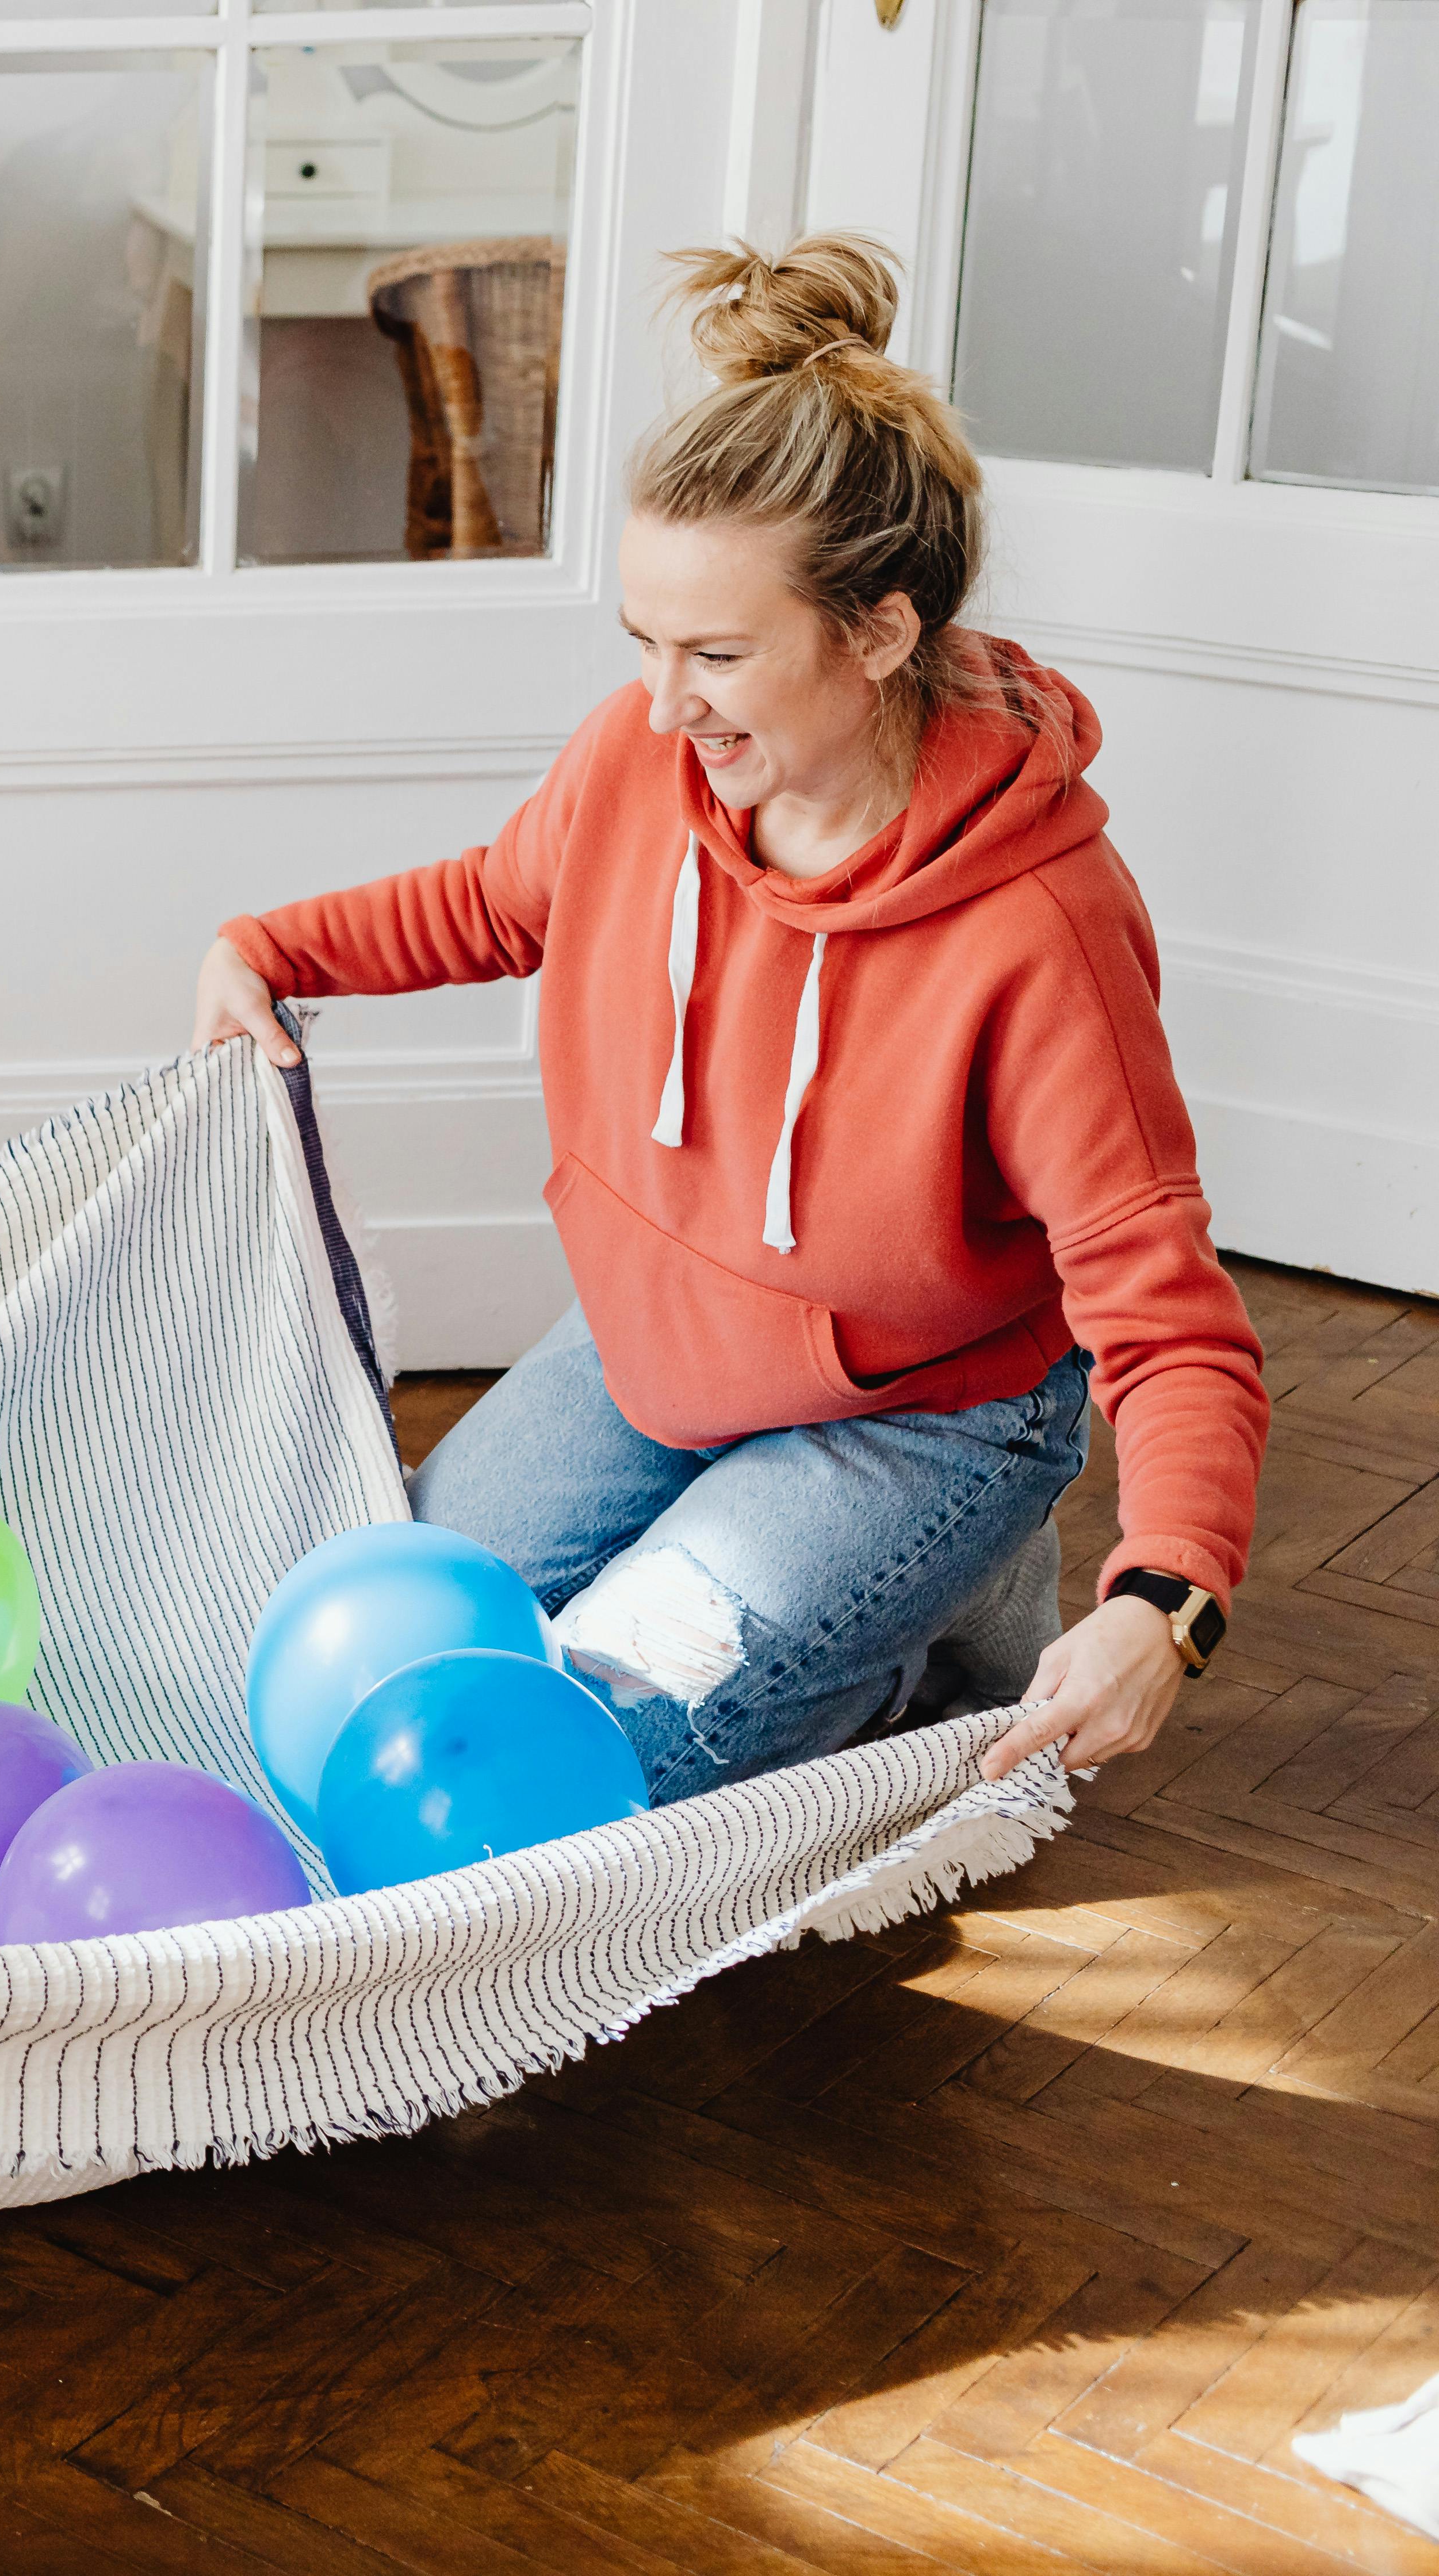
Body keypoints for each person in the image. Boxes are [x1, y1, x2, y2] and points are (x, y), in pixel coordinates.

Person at [189, 236, 1267, 1806]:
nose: (661, 702)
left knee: (575, 1752)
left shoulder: (1043, 928)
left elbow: (1165, 1313)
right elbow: (501, 898)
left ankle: (924, 1634)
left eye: (715, 653)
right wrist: (265, 946)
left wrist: (1168, 1600)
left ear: (880, 634)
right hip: (663, 1353)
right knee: (387, 1664)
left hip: (921, 1417)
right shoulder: (645, 760)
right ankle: (914, 1597)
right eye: (641, 642)